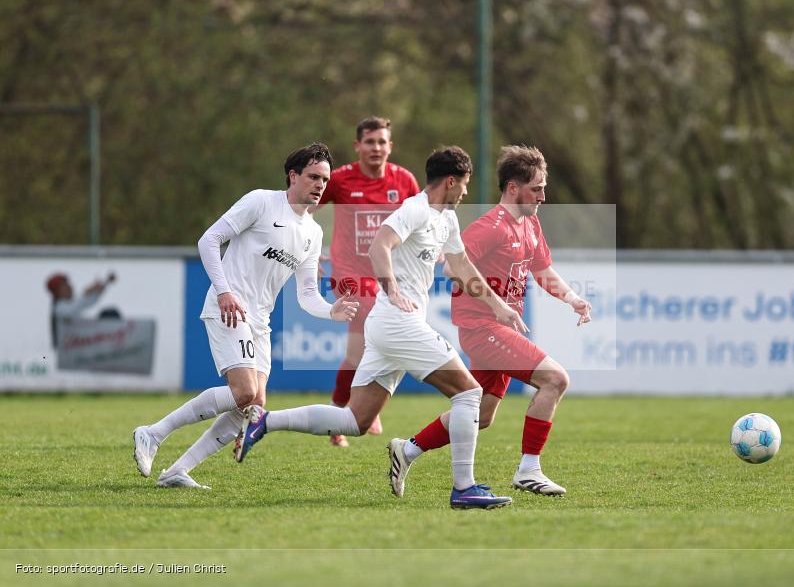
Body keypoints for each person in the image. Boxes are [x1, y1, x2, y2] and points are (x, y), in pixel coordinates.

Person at [233, 146, 523, 509]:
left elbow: (462, 264)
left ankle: (267, 422)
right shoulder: (415, 209)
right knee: (469, 394)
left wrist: (499, 307)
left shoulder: (445, 218)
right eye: (464, 185)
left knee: (355, 419)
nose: (466, 193)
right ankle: (463, 488)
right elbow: (379, 246)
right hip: (397, 321)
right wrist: (392, 288)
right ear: (450, 181)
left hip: (391, 326)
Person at [132, 143, 358, 489]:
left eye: (325, 180)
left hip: (260, 322)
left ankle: (177, 470)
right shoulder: (261, 201)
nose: (319, 185)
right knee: (244, 393)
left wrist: (331, 310)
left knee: (253, 404)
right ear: (293, 176)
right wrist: (224, 291)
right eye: (313, 177)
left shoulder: (314, 233)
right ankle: (153, 433)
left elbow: (307, 294)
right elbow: (209, 241)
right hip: (230, 309)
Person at [386, 145, 593, 498]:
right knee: (555, 379)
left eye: (543, 188)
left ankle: (406, 450)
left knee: (479, 415)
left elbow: (541, 270)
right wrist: (494, 304)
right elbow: (451, 267)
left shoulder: (529, 223)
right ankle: (529, 469)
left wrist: (572, 298)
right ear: (513, 187)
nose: (543, 196)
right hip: (483, 329)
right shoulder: (490, 226)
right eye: (537, 188)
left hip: (501, 329)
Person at [316, 116, 420, 447]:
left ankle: (338, 416)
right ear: (357, 146)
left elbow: (423, 221)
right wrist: (306, 250)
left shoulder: (403, 180)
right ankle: (366, 409)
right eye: (370, 141)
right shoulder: (341, 179)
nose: (376, 147)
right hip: (349, 275)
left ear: (390, 146)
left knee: (357, 352)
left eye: (382, 142)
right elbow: (303, 209)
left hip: (387, 276)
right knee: (381, 337)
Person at [46, 272, 116, 348]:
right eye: (65, 286)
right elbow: (74, 308)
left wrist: (104, 284)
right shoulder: (58, 308)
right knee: (109, 316)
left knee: (108, 314)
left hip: (79, 344)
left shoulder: (67, 304)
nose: (70, 287)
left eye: (69, 284)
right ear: (57, 292)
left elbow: (88, 301)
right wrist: (87, 292)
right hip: (69, 351)